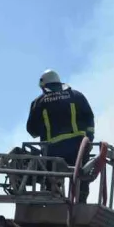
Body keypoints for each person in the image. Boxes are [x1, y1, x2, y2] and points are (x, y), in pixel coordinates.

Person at [26, 69, 95, 202]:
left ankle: (52, 204)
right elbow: (89, 119)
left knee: (52, 182)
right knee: (81, 178)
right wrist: (89, 139)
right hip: (78, 147)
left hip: (53, 151)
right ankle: (80, 204)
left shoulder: (39, 102)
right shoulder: (77, 96)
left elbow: (32, 130)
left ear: (43, 86)